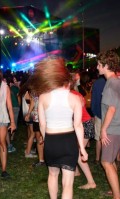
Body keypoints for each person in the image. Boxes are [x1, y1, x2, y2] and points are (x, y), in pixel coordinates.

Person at [28, 56, 88, 199]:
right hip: (69, 141)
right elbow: (78, 125)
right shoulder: (75, 98)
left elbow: (42, 124)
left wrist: (44, 137)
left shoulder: (43, 97)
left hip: (51, 141)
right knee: (68, 183)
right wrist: (83, 149)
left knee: (53, 175)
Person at [97, 50, 120, 199]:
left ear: (105, 65)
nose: (97, 67)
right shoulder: (115, 81)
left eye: (98, 64)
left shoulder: (111, 84)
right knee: (110, 161)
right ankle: (114, 190)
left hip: (114, 127)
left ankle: (117, 196)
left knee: (106, 162)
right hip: (118, 125)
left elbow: (111, 108)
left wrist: (103, 129)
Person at [90, 75, 106, 164]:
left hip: (99, 113)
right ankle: (113, 158)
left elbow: (94, 99)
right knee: (109, 136)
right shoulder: (113, 81)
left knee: (98, 137)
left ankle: (97, 158)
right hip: (110, 115)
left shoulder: (97, 83)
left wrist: (93, 112)